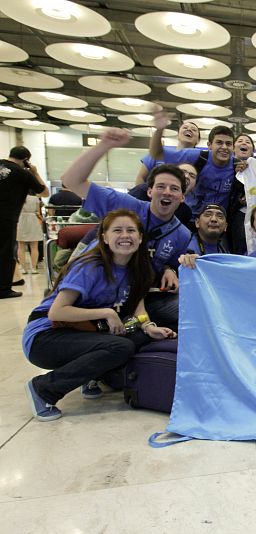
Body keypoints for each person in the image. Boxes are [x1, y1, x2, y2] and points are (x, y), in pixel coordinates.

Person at [22, 209, 175, 421]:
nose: (125, 235)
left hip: (84, 331)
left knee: (142, 336)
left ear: (140, 238)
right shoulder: (90, 266)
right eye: (117, 230)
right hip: (45, 337)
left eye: (131, 230)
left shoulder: (138, 268)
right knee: (121, 346)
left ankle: (92, 375)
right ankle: (43, 389)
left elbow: (138, 306)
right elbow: (56, 311)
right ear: (104, 237)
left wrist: (149, 326)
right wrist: (107, 312)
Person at [61, 128, 192, 332]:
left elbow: (165, 263)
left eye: (174, 189)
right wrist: (103, 145)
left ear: (182, 197)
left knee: (190, 310)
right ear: (149, 191)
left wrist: (169, 269)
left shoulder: (181, 234)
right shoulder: (124, 205)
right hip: (94, 292)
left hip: (134, 299)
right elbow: (71, 180)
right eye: (161, 186)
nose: (167, 192)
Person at [149, 112, 235, 220]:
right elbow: (156, 153)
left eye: (228, 144)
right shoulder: (196, 156)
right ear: (209, 145)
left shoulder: (238, 166)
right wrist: (159, 129)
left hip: (217, 222)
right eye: (219, 142)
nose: (224, 147)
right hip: (188, 218)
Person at [0, 146, 48, 298]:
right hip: (7, 217)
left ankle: (7, 281)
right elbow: (44, 192)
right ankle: (4, 288)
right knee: (6, 252)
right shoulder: (23, 173)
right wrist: (34, 172)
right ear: (26, 160)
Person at [128, 162, 197, 227]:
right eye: (182, 172)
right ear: (150, 192)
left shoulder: (185, 213)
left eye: (192, 175)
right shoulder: (141, 192)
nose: (186, 176)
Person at [135, 120, 200, 185]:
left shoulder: (201, 159)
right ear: (178, 135)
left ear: (198, 140)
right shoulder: (160, 151)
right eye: (185, 127)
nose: (189, 129)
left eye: (194, 130)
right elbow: (141, 177)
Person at [17, 195, 44, 274]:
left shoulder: (19, 196)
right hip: (33, 220)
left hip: (21, 219)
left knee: (20, 246)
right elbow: (38, 212)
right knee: (34, 247)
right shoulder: (36, 198)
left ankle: (23, 268)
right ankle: (33, 268)